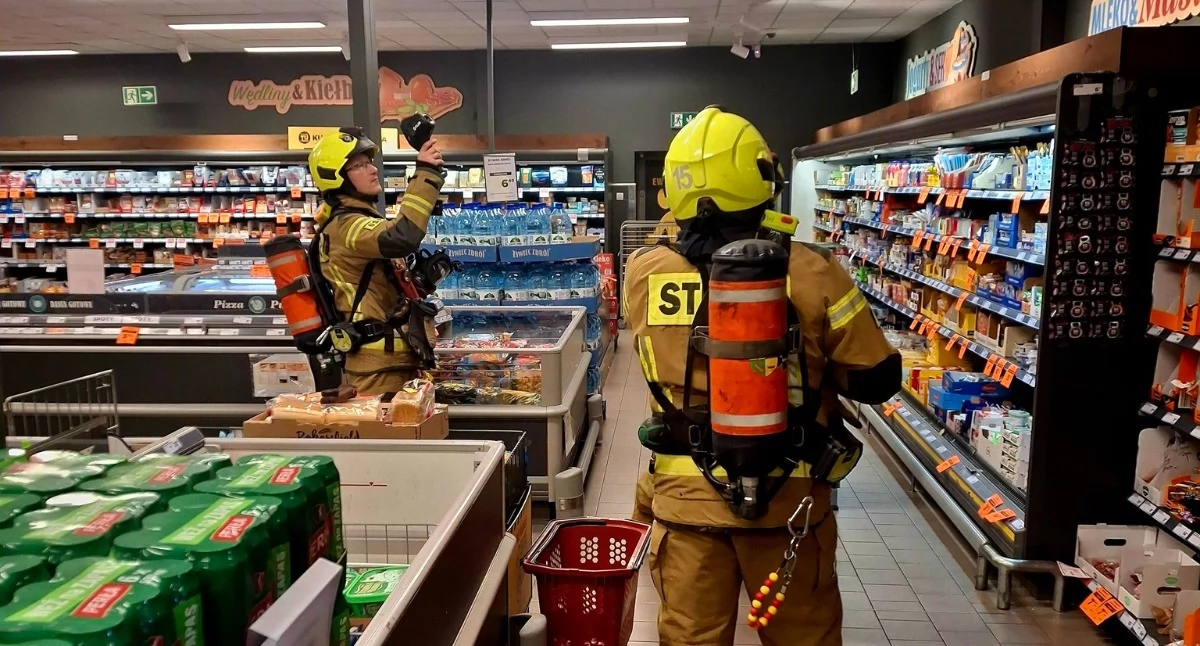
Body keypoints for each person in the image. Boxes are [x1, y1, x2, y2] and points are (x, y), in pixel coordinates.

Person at [622, 106, 900, 646]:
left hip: (685, 500)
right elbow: (876, 378)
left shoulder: (645, 271)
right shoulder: (815, 271)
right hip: (790, 501)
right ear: (763, 181)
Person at [307, 127, 445, 395]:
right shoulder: (347, 226)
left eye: (369, 162)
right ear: (335, 177)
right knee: (388, 435)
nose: (372, 170)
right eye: (358, 166)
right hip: (376, 368)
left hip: (390, 359)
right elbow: (402, 236)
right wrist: (426, 174)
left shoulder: (356, 221)